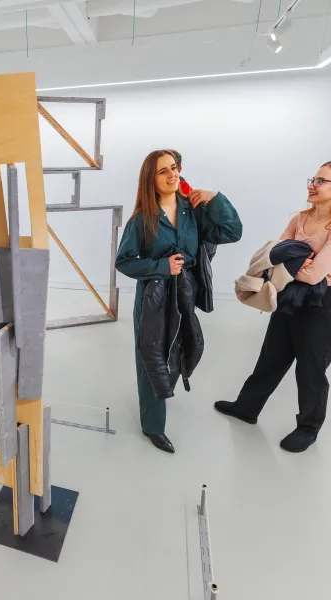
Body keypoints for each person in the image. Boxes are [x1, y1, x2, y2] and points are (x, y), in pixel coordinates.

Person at [116, 150, 242, 453]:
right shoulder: (141, 219)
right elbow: (124, 262)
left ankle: (166, 389)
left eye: (174, 168)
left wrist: (216, 198)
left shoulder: (193, 211)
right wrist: (160, 267)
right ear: (151, 178)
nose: (172, 174)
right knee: (151, 357)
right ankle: (153, 426)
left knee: (184, 343)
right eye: (163, 171)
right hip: (153, 298)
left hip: (184, 293)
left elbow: (231, 232)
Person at [215, 162, 331, 453]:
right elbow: (273, 255)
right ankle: (246, 408)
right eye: (313, 178)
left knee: (311, 369)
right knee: (272, 357)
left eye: (322, 180)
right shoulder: (299, 218)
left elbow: (314, 275)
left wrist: (295, 258)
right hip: (289, 298)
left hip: (321, 306)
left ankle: (308, 427)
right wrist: (299, 258)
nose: (312, 185)